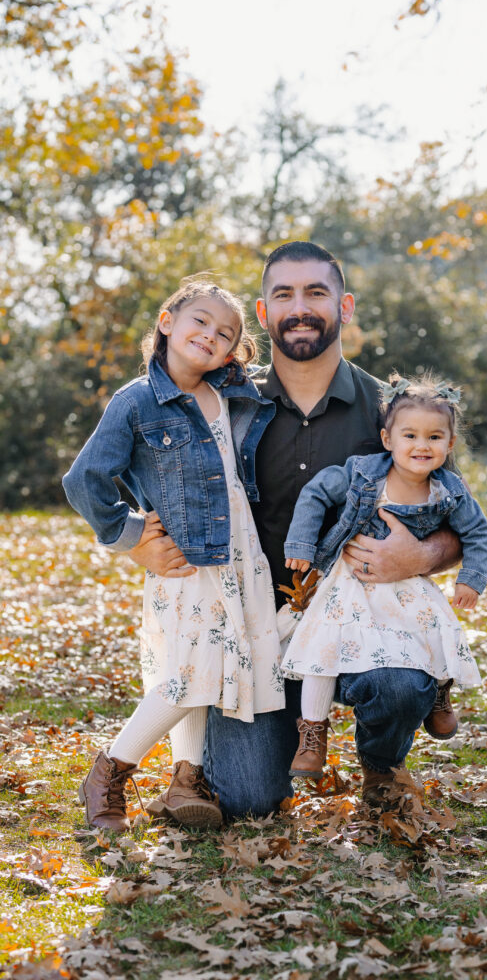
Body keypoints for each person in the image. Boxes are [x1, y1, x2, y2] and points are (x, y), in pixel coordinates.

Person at [127, 242, 465, 815]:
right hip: (255, 631)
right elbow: (145, 474)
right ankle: (217, 756)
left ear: (345, 306)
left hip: (360, 619)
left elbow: (456, 520)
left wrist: (421, 557)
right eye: (283, 294)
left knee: (404, 685)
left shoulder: (393, 412)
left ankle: (382, 765)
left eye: (316, 292)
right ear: (263, 314)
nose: (300, 307)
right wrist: (138, 541)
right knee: (249, 801)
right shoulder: (223, 403)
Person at [62, 279, 285, 832]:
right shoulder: (136, 400)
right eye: (200, 322)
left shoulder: (230, 394)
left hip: (241, 558)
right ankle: (110, 772)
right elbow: (85, 479)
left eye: (225, 334)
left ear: (234, 351)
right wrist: (132, 535)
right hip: (187, 561)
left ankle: (186, 778)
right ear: (167, 321)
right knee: (188, 674)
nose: (210, 336)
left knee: (213, 666)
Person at [282, 373, 487, 778]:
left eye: (434, 437)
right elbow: (316, 492)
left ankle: (436, 695)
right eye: (410, 435)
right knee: (320, 650)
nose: (421, 445)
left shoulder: (450, 490)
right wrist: (301, 545)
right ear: (387, 439)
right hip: (350, 584)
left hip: (407, 586)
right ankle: (312, 732)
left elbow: (477, 531)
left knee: (431, 628)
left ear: (449, 445)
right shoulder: (362, 473)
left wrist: (471, 577)